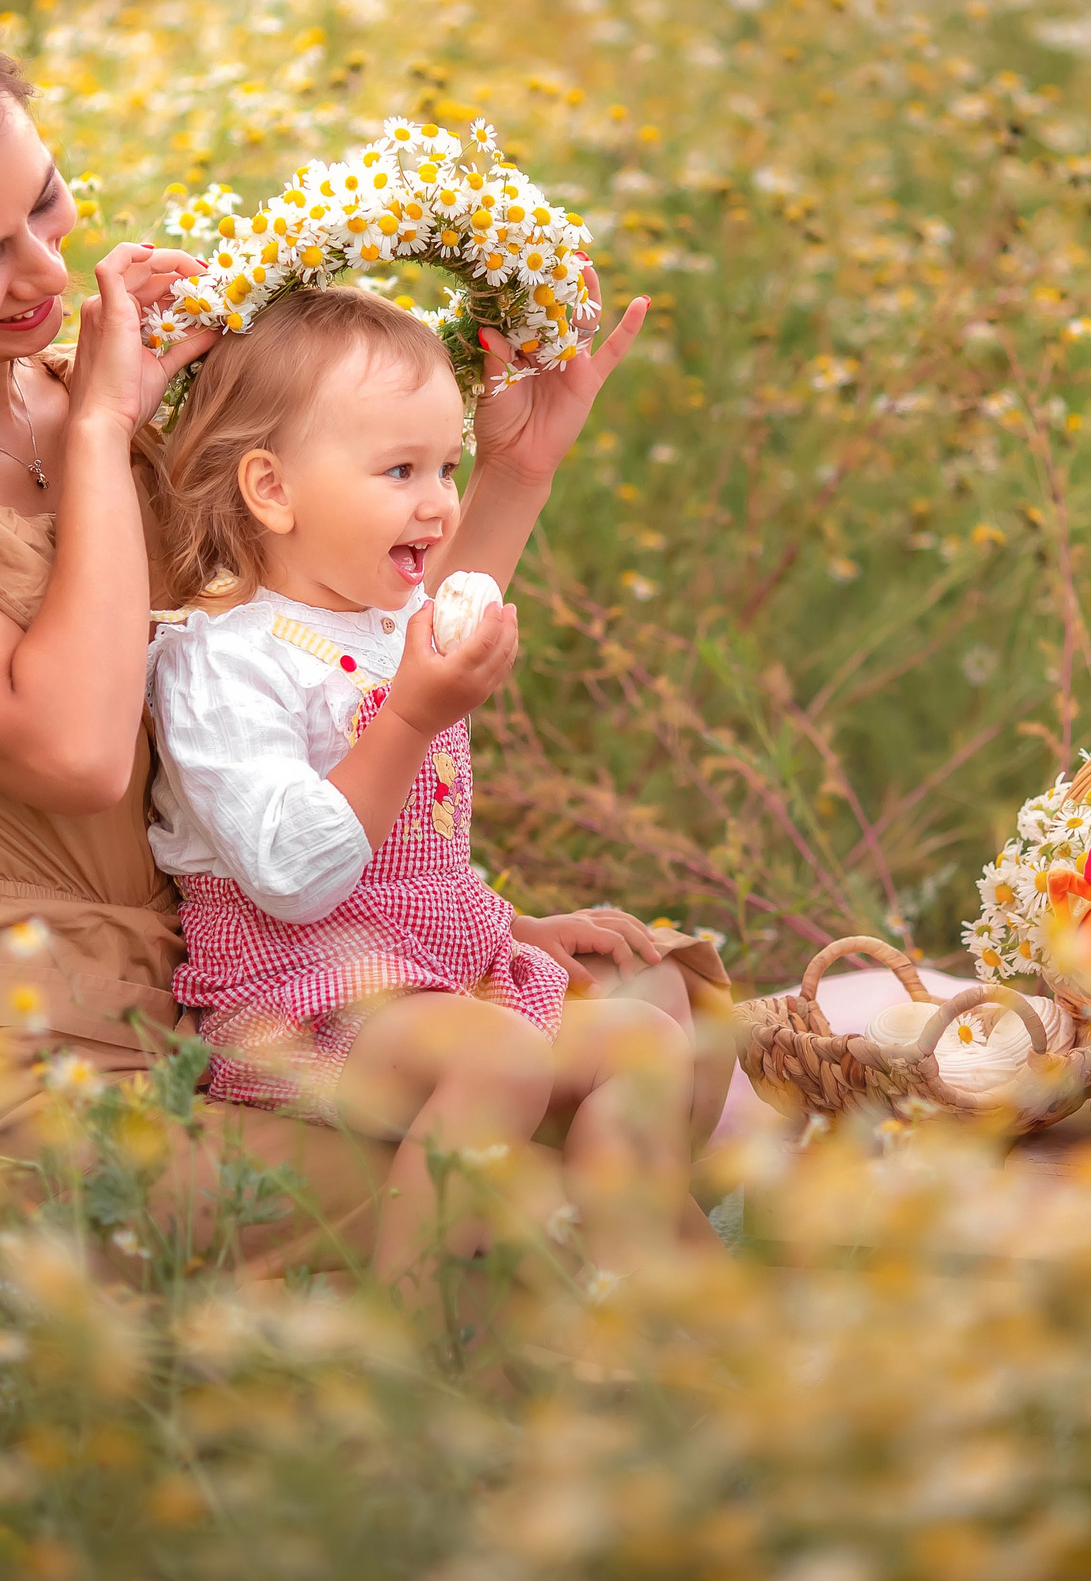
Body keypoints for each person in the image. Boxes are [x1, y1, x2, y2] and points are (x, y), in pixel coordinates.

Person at [0, 3, 699, 1274]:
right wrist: (100, 436)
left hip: (239, 1000)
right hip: (35, 1072)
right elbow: (82, 753)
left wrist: (516, 480)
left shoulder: (92, 405)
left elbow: (328, 662)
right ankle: (422, 1420)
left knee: (655, 1062)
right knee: (516, 1198)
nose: (48, 275)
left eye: (44, 204)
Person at [142, 286, 724, 1291]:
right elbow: (295, 873)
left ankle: (634, 1303)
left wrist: (506, 919)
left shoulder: (385, 617)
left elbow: (414, 852)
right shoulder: (224, 658)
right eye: (399, 469)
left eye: (446, 465)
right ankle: (413, 1339)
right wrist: (410, 715)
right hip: (296, 993)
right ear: (272, 490)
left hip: (425, 976)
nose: (437, 500)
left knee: (644, 1041)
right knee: (499, 1057)